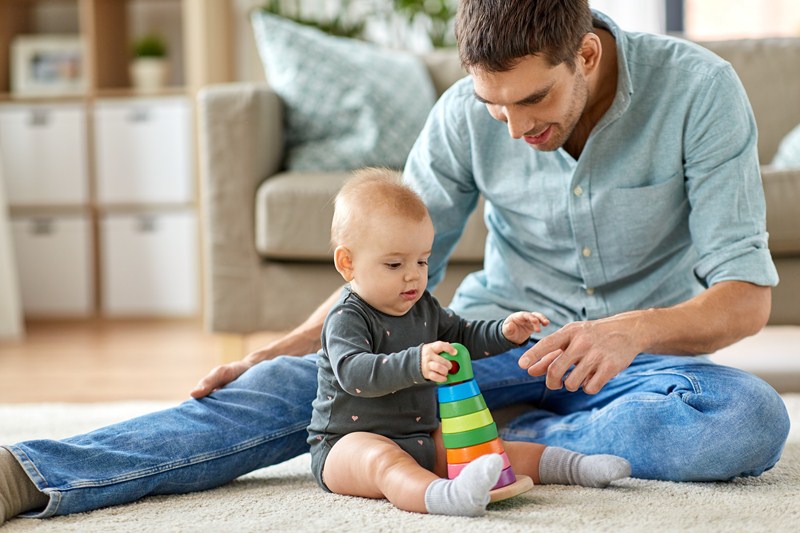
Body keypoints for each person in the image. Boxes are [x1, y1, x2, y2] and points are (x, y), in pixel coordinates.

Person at [0, 0, 791, 524]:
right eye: (494, 106)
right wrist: (284, 345)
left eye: (533, 102)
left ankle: (497, 430)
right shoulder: (464, 115)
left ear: (585, 54)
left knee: (746, 419)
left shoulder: (699, 93)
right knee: (304, 383)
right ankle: (33, 472)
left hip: (630, 365)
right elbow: (380, 272)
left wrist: (624, 332)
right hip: (479, 348)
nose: (512, 128)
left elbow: (745, 299)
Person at [309, 168, 630, 517]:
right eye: (394, 264)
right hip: (346, 446)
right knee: (383, 462)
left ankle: (575, 467)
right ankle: (445, 498)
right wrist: (416, 363)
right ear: (348, 263)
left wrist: (503, 332)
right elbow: (353, 374)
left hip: (419, 437)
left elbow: (462, 336)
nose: (413, 275)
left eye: (422, 260)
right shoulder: (347, 317)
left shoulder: (424, 306)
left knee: (488, 448)